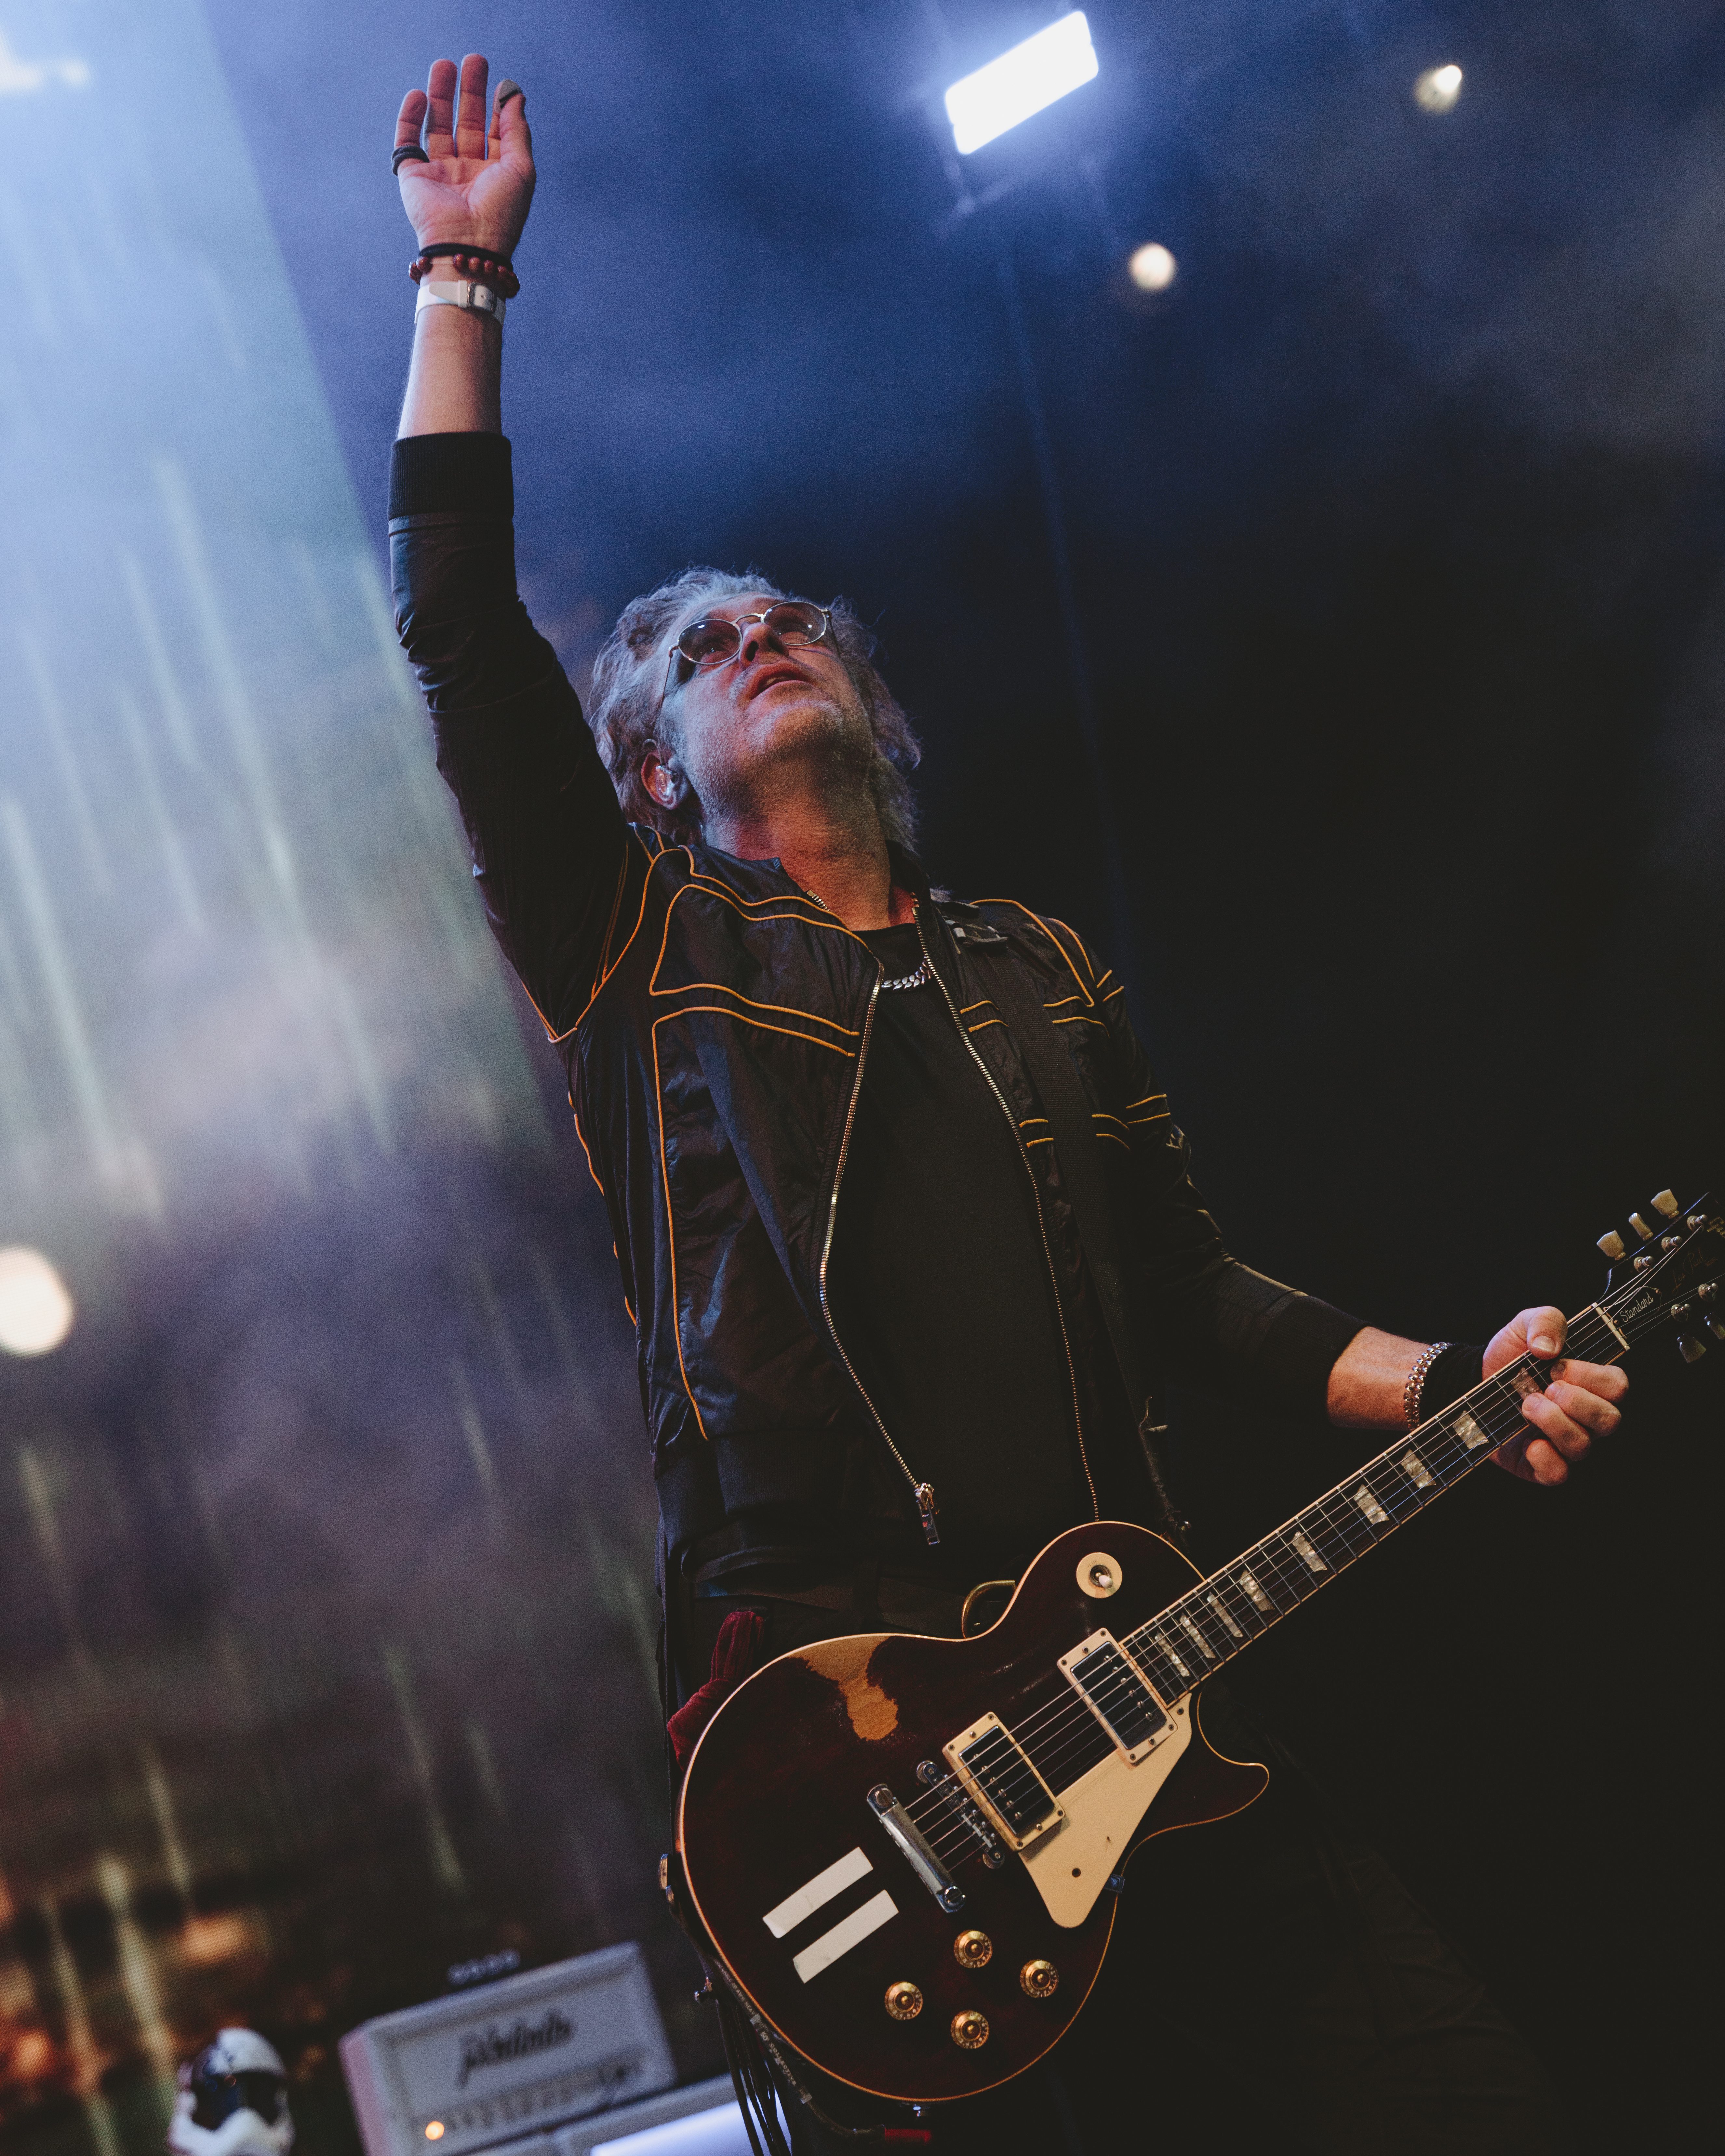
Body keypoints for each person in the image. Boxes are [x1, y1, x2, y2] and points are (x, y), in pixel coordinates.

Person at [385, 54, 1625, 2154]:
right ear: (657, 779)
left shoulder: (1031, 967)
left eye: (791, 619)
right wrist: (461, 268)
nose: (757, 627)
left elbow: (1193, 1291)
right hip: (863, 1763)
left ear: (875, 705)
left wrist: (1455, 1377)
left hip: (1145, 1712)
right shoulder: (640, 949)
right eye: (701, 645)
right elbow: (454, 626)